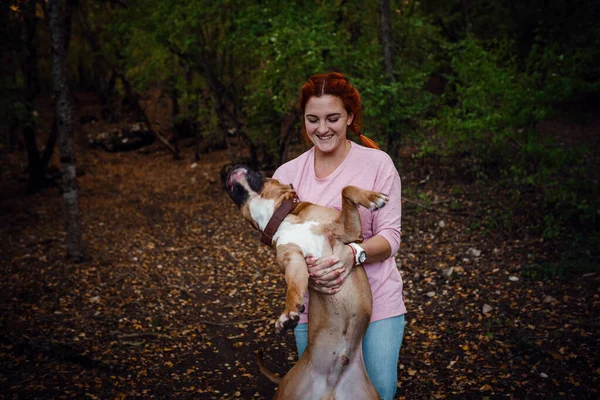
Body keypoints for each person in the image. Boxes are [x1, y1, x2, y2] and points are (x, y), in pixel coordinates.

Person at [272, 72, 406, 400]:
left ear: (349, 116)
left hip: (376, 306)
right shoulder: (287, 175)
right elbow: (281, 245)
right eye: (312, 119)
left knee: (379, 392)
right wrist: (305, 274)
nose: (322, 128)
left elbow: (391, 236)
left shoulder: (378, 164)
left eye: (332, 118)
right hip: (314, 311)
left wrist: (354, 253)